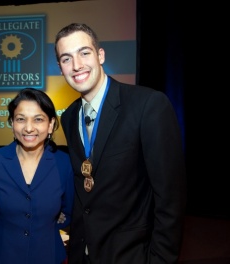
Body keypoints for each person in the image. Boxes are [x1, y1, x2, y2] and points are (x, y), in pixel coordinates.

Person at [54, 23, 187, 264]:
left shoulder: (148, 105)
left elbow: (170, 197)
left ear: (100, 55)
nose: (76, 65)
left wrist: (159, 259)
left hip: (131, 254)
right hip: (83, 253)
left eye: (84, 53)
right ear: (60, 68)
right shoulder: (70, 116)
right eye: (66, 58)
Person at [0, 88, 74, 264]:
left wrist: (44, 225)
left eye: (38, 119)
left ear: (51, 124)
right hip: (1, 256)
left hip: (48, 255)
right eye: (20, 119)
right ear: (12, 123)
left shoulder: (65, 163)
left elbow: (68, 210)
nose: (29, 128)